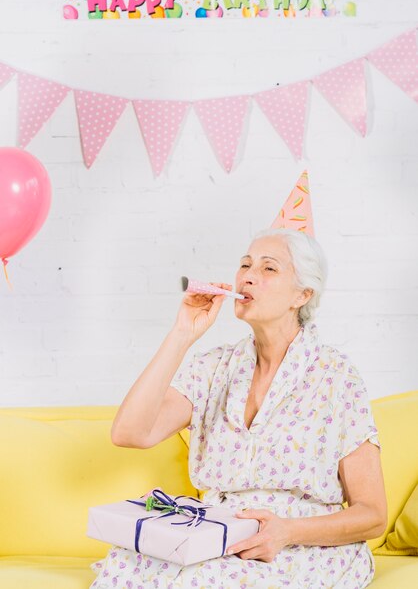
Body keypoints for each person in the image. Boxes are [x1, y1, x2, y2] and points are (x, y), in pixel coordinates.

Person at [89, 228, 387, 589]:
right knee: (124, 563)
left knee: (205, 579)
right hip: (216, 537)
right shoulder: (214, 368)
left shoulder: (337, 377)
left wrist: (286, 532)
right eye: (245, 264)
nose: (247, 275)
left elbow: (372, 516)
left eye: (268, 269)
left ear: (302, 294)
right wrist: (183, 333)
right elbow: (129, 433)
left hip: (300, 548)